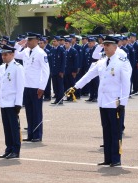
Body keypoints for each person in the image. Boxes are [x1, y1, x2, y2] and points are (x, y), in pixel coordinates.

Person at [68, 35, 132, 167]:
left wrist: (123, 104)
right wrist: (75, 87)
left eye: (108, 45)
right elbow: (88, 75)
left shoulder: (122, 62)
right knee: (106, 130)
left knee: (115, 131)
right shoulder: (102, 62)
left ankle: (116, 158)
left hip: (115, 102)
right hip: (103, 101)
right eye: (104, 45)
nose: (105, 47)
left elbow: (126, 85)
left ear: (115, 47)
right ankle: (107, 158)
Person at [15, 32, 51, 142]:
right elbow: (15, 54)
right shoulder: (25, 51)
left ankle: (37, 135)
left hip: (36, 86)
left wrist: (42, 87)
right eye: (28, 40)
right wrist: (18, 45)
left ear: (37, 40)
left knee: (36, 112)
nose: (28, 42)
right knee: (29, 111)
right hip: (26, 85)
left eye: (30, 40)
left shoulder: (41, 53)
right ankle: (30, 134)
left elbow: (46, 71)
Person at [50, 35, 66, 105]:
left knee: (60, 86)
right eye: (53, 41)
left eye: (55, 41)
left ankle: (60, 99)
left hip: (59, 71)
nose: (54, 42)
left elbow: (63, 61)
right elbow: (51, 61)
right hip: (54, 71)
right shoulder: (52, 49)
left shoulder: (62, 49)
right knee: (55, 85)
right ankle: (57, 98)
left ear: (59, 42)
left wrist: (62, 71)